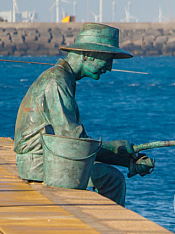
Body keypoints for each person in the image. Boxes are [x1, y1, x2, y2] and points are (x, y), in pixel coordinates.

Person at [13, 23, 154, 206]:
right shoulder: (56, 82)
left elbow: (74, 141)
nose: (109, 67)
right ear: (87, 54)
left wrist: (125, 158)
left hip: (50, 158)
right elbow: (73, 142)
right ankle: (108, 231)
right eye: (107, 59)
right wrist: (117, 152)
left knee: (109, 174)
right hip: (40, 163)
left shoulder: (62, 79)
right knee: (112, 179)